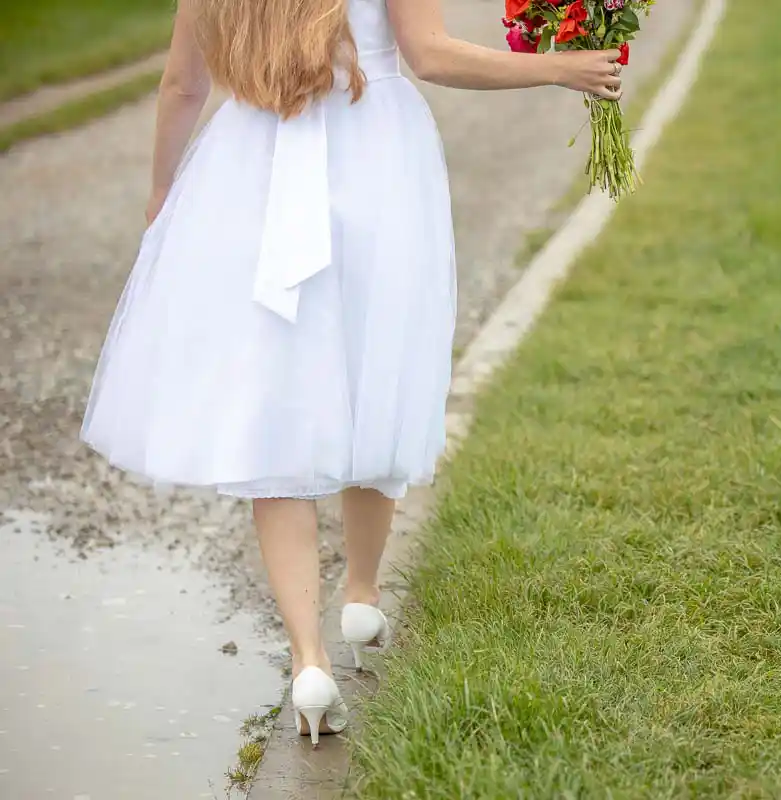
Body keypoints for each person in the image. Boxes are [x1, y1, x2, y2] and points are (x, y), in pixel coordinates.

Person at [80, 0, 623, 746]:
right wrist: (564, 68)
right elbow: (430, 56)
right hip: (375, 162)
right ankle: (362, 593)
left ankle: (308, 660)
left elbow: (181, 85)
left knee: (275, 406)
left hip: (252, 170)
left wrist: (163, 190)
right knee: (378, 368)